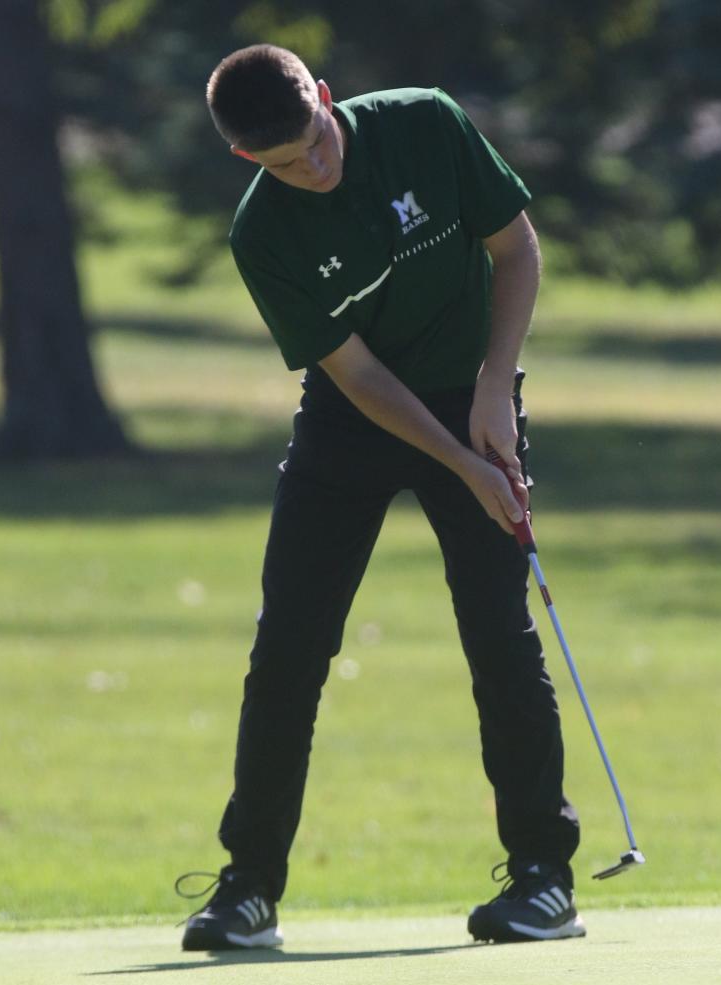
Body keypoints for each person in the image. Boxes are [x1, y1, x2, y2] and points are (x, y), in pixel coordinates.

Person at [179, 44, 582, 950]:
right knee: (288, 649)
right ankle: (248, 887)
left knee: (498, 636)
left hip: (471, 397)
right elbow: (356, 375)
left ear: (325, 97)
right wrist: (457, 464)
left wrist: (494, 392)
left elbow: (514, 246)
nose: (314, 169)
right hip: (354, 423)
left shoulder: (423, 122)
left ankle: (543, 877)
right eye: (288, 164)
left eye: (318, 141)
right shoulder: (262, 233)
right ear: (249, 159)